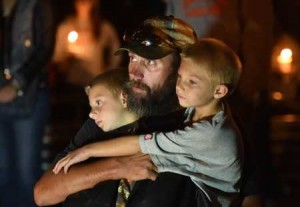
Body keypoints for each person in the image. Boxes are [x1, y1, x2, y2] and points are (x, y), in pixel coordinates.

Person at [53, 38, 244, 207]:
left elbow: (140, 144)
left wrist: (87, 152)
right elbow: (43, 193)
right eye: (180, 77)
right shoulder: (201, 106)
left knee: (157, 167)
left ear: (219, 91)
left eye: (192, 82)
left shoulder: (209, 133)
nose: (181, 86)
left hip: (201, 200)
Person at [0, 0, 54, 206]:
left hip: (29, 97)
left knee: (26, 172)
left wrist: (16, 84)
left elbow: (45, 48)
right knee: (3, 171)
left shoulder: (37, 5)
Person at [51, 0, 121, 86]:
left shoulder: (103, 27)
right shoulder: (66, 27)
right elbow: (57, 56)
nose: (84, 3)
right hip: (72, 83)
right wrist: (66, 59)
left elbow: (117, 50)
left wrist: (109, 71)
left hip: (95, 81)